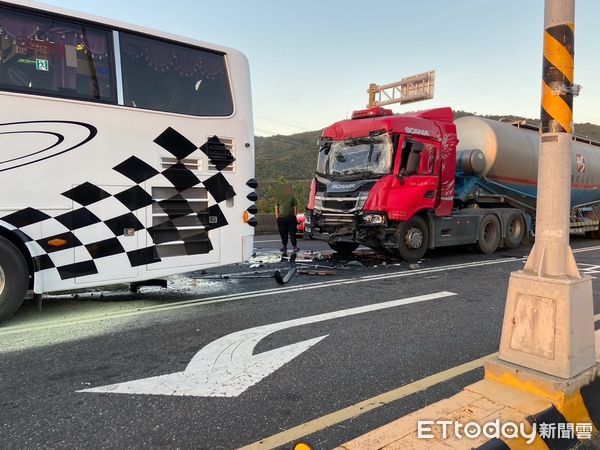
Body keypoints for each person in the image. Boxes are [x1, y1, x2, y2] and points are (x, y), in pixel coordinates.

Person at [275, 184, 298, 254]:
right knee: (283, 233)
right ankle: (284, 246)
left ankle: (295, 246)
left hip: (291, 219)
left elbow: (295, 207)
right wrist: (277, 216)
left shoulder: (292, 198)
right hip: (281, 219)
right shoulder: (279, 198)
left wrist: (294, 216)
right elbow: (276, 207)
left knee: (292, 233)